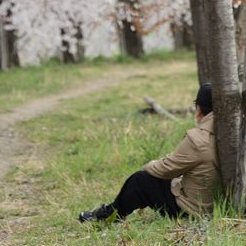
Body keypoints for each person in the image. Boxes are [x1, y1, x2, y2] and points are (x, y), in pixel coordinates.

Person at [78, 83, 219, 223]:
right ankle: (110, 212)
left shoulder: (197, 139)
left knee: (140, 180)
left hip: (194, 211)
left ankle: (107, 216)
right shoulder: (231, 134)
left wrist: (149, 164)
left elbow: (165, 170)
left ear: (198, 109)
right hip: (218, 206)